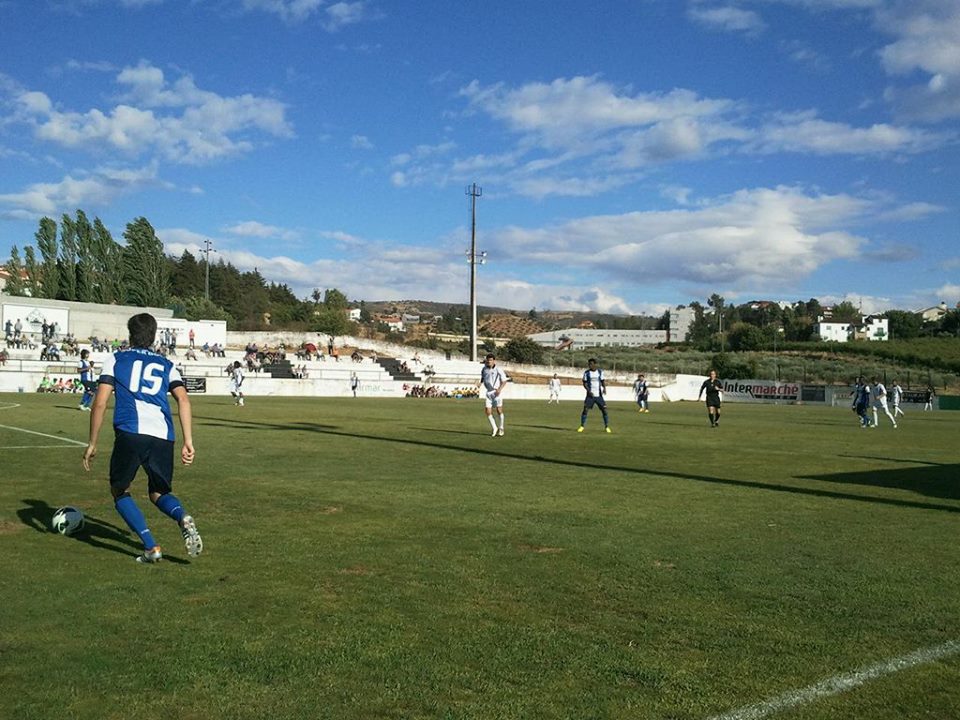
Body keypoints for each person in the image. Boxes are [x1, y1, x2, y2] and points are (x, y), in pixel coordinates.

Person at [81, 313, 202, 564]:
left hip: (131, 431)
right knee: (159, 492)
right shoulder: (167, 364)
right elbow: (183, 399)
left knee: (119, 489)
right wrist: (188, 441)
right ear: (154, 336)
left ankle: (151, 547)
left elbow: (100, 402)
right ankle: (181, 516)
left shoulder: (116, 359)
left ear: (130, 335)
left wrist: (92, 442)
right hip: (163, 435)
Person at [478, 352, 509, 437]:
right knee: (488, 411)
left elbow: (504, 380)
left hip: (496, 392)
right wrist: (480, 383)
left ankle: (501, 427)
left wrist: (499, 389)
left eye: (491, 360)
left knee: (499, 410)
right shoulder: (484, 369)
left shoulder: (498, 369)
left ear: (494, 361)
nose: (489, 362)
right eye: (488, 360)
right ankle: (494, 428)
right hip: (488, 392)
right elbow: (483, 377)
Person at [578, 358, 610, 433]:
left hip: (599, 395)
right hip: (590, 396)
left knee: (604, 410)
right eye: (589, 364)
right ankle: (582, 426)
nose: (590, 365)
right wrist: (589, 391)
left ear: (595, 364)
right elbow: (584, 383)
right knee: (585, 410)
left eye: (591, 364)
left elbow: (602, 381)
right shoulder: (586, 373)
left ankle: (607, 427)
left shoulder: (600, 372)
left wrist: (604, 388)